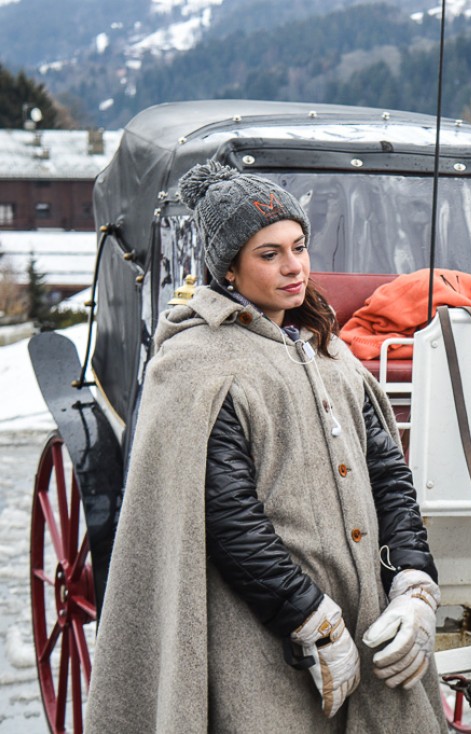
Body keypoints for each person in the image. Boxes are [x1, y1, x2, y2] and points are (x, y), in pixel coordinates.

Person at [86, 160, 447, 733]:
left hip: (367, 626)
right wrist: (308, 617)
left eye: (298, 247)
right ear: (228, 268)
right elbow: (230, 517)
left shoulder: (329, 352)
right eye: (269, 253)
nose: (293, 266)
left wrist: (411, 580)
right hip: (259, 644)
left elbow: (388, 476)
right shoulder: (198, 362)